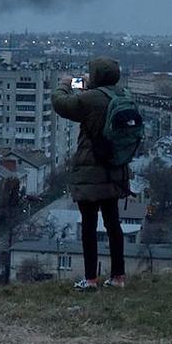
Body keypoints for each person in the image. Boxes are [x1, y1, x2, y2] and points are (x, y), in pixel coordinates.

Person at [52, 56, 130, 291]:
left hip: (91, 170)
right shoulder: (123, 95)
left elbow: (61, 104)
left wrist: (64, 83)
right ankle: (118, 277)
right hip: (115, 168)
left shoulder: (90, 99)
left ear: (95, 75)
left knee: (88, 225)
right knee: (113, 224)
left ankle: (90, 279)